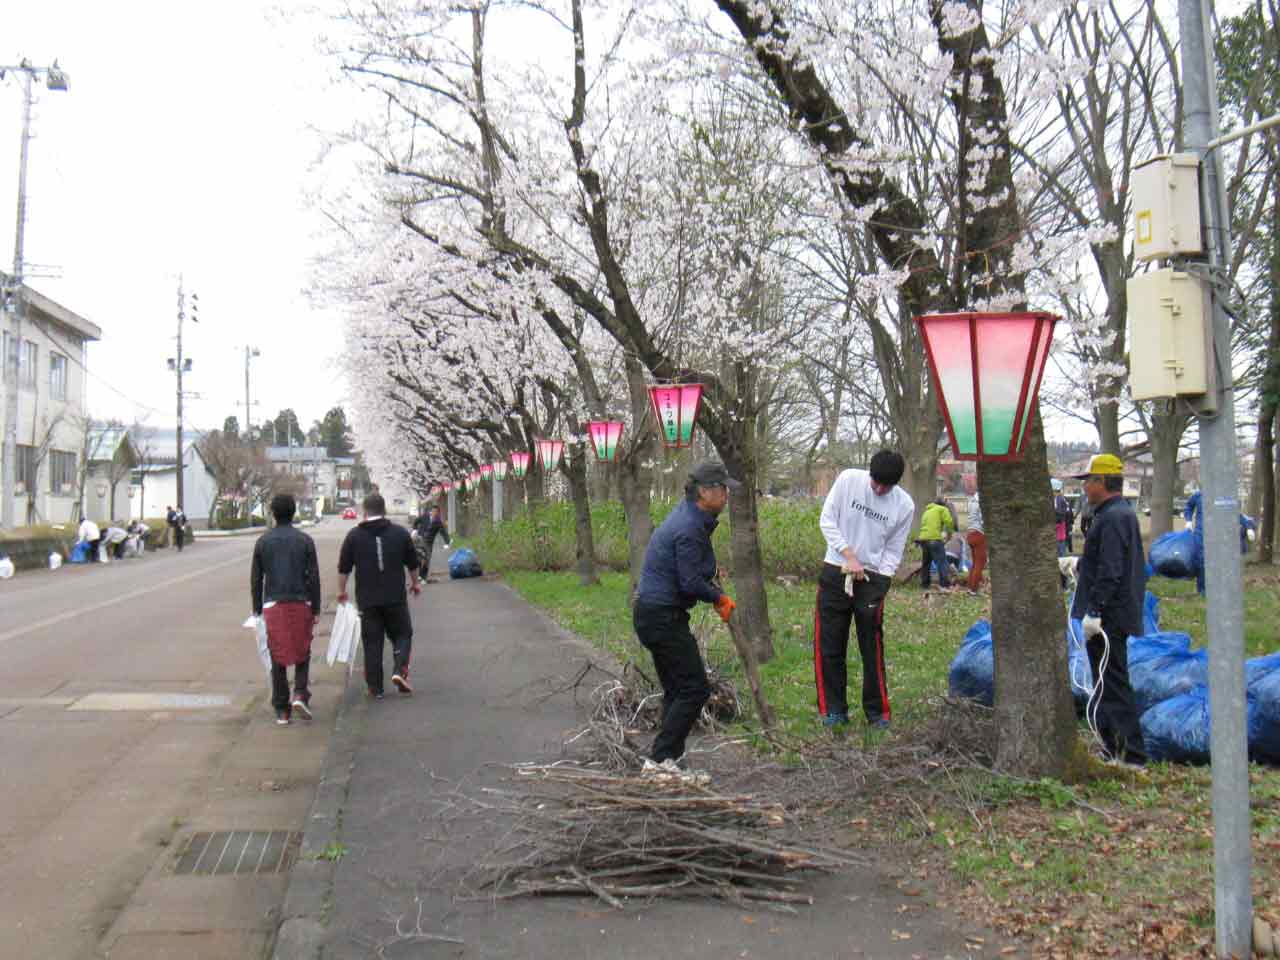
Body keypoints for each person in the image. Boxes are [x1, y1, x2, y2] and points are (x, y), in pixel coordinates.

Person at [633, 461, 738, 768]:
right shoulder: (690, 526)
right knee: (694, 689)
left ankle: (666, 761)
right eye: (723, 490)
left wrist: (712, 574)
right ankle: (662, 759)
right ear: (705, 492)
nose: (727, 496)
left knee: (677, 690)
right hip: (662, 617)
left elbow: (689, 567)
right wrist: (719, 597)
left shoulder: (690, 517)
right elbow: (689, 581)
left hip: (652, 614)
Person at [815, 449, 915, 729]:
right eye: (876, 482)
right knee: (830, 645)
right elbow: (827, 520)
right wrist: (849, 555)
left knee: (872, 648)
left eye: (887, 486)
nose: (880, 489)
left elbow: (894, 549)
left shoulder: (903, 505)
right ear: (869, 473)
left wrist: (881, 580)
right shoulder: (848, 480)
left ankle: (877, 712)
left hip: (871, 579)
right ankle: (834, 710)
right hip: (837, 569)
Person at [1070, 453, 1147, 764]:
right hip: (1112, 612)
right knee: (1105, 682)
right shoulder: (1116, 513)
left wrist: (1096, 611)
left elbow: (1112, 570)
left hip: (1109, 617)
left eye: (1088, 481)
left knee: (1112, 683)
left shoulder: (1114, 517)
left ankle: (1131, 755)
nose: (1085, 487)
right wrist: (1080, 565)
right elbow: (1106, 561)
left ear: (1102, 481)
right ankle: (1112, 747)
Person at [337, 492, 421, 698]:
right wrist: (415, 582)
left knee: (372, 642)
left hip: (368, 600)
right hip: (395, 597)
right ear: (384, 510)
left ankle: (375, 688)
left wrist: (341, 591)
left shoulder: (353, 536)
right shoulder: (400, 533)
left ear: (364, 512)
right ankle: (400, 670)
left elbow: (343, 568)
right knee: (402, 634)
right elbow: (412, 563)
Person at [251, 494, 322, 725]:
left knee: (276, 653)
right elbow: (313, 577)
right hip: (301, 600)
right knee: (303, 649)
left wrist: (257, 609)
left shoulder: (263, 541)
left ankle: (282, 709)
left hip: (273, 602)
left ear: (273, 513)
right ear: (294, 513)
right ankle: (300, 693)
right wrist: (316, 606)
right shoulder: (305, 540)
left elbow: (256, 578)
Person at [917, 496, 955, 590]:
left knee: (926, 563)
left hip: (923, 540)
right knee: (942, 562)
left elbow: (923, 525)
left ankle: (925, 584)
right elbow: (949, 522)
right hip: (934, 539)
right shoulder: (942, 509)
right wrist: (950, 533)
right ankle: (944, 584)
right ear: (943, 504)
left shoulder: (927, 511)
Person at [412, 504, 451, 581]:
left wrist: (447, 542)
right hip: (420, 539)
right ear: (431, 511)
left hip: (429, 542)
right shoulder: (425, 516)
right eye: (433, 511)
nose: (434, 513)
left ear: (438, 513)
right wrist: (415, 529)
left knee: (427, 559)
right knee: (419, 557)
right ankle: (419, 574)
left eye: (436, 512)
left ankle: (423, 577)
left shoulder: (438, 521)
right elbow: (416, 521)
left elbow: (443, 532)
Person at [964, 491, 987, 594]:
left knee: (974, 563)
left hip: (970, 534)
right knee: (980, 563)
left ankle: (970, 587)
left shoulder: (971, 502)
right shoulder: (979, 504)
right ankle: (974, 589)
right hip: (979, 533)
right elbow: (983, 520)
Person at [1052, 479, 1074, 558]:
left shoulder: (1059, 499)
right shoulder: (1061, 498)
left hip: (1061, 524)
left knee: (1060, 544)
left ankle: (1062, 560)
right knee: (1061, 543)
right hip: (1063, 524)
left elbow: (1061, 513)